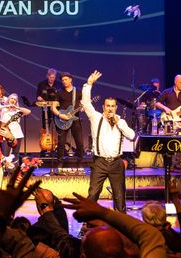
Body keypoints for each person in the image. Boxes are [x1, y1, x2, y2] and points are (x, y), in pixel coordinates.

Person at [82, 70, 138, 214]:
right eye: (108, 106)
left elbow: (132, 136)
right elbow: (86, 104)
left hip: (116, 163)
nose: (110, 108)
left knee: (119, 197)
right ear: (103, 107)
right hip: (99, 162)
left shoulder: (121, 121)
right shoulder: (96, 118)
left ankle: (121, 224)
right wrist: (89, 84)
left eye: (113, 106)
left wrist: (118, 122)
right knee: (93, 194)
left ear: (116, 107)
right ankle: (87, 222)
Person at [54, 72, 87, 164]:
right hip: (62, 120)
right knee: (61, 144)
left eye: (66, 79)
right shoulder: (59, 92)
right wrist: (60, 115)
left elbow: (83, 105)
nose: (64, 81)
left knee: (79, 143)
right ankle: (60, 163)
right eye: (63, 80)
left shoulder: (78, 91)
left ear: (70, 80)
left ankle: (80, 162)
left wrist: (83, 108)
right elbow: (53, 107)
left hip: (75, 120)